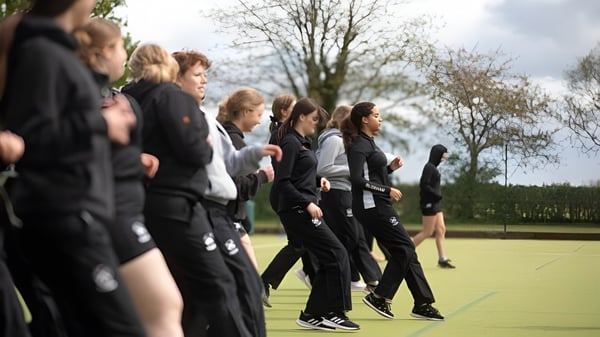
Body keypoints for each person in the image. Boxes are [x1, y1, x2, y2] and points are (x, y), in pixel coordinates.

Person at [0, 1, 146, 336]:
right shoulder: (41, 53)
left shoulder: (52, 51)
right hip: (65, 216)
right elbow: (31, 137)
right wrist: (100, 121)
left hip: (76, 214)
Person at [123, 43, 250, 337]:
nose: (203, 79)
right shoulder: (170, 97)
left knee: (177, 291)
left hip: (141, 203)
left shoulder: (126, 98)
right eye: (198, 74)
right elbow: (193, 149)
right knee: (220, 284)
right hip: (178, 203)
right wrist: (203, 147)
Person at [74, 18, 185, 336]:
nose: (125, 56)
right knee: (164, 305)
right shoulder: (85, 92)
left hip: (120, 210)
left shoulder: (108, 93)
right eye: (122, 46)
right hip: (112, 215)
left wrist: (134, 160)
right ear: (105, 50)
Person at [172, 50, 281, 337]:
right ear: (176, 78)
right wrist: (261, 176)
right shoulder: (178, 114)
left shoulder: (204, 117)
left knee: (206, 296)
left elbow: (230, 163)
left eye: (205, 74)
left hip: (218, 213)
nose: (204, 80)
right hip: (208, 212)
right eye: (197, 74)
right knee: (239, 285)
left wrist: (257, 154)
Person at [341, 102, 444, 321]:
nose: (381, 119)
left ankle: (422, 303)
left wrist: (389, 169)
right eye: (377, 115)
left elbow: (372, 174)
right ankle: (380, 296)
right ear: (364, 120)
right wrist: (386, 189)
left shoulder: (370, 143)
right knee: (405, 248)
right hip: (372, 207)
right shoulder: (359, 145)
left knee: (405, 251)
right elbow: (357, 179)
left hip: (380, 205)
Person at [275, 97, 359, 331]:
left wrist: (317, 180)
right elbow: (283, 182)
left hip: (303, 208)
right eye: (313, 119)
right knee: (337, 252)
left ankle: (313, 313)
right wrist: (307, 203)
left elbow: (300, 174)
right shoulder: (291, 143)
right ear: (300, 116)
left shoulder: (304, 141)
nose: (316, 124)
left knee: (333, 255)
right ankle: (334, 312)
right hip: (297, 211)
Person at [316, 104, 382, 292]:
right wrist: (353, 171)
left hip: (344, 192)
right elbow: (322, 168)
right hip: (336, 193)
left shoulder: (345, 140)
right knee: (353, 236)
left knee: (350, 238)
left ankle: (361, 279)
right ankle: (373, 280)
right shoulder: (334, 141)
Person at [261, 94, 317, 307]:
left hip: (297, 194)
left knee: (306, 242)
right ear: (285, 112)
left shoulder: (296, 136)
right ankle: (263, 282)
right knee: (299, 243)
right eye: (295, 108)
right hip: (289, 196)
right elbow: (286, 174)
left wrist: (317, 180)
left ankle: (316, 278)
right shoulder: (282, 136)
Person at [216, 87, 275, 271]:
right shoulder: (233, 141)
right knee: (248, 282)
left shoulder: (229, 137)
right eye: (258, 114)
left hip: (231, 221)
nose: (259, 120)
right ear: (245, 111)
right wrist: (263, 176)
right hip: (228, 221)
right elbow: (237, 186)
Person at [412, 144, 455, 268]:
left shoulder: (433, 168)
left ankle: (442, 259)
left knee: (441, 230)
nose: (444, 158)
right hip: (429, 203)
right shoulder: (429, 168)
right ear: (437, 155)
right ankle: (404, 249)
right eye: (443, 155)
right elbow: (424, 185)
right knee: (427, 232)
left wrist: (437, 197)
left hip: (436, 203)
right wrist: (436, 195)